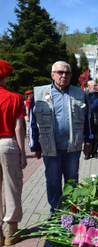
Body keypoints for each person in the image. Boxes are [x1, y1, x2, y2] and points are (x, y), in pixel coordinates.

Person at [30, 61, 92, 213]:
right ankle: (56, 212)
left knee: (72, 180)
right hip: (51, 148)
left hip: (73, 147)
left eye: (67, 73)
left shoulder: (80, 94)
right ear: (52, 74)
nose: (63, 75)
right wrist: (35, 146)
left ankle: (71, 211)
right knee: (53, 181)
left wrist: (89, 141)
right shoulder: (39, 94)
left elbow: (88, 120)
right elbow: (33, 121)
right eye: (60, 72)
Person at [0, 59, 27, 245]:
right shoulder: (15, 97)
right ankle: (11, 231)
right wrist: (23, 152)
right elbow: (19, 128)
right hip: (7, 144)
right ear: (6, 76)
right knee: (12, 187)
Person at [85, 80, 98, 160]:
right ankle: (88, 153)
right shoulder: (85, 95)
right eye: (94, 85)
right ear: (89, 86)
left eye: (96, 85)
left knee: (96, 136)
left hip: (97, 117)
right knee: (88, 136)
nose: (96, 87)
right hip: (88, 118)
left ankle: (95, 152)